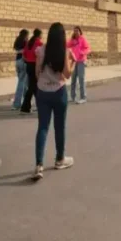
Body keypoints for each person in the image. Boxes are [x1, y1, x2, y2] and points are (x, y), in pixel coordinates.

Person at [32, 23, 75, 180]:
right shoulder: (64, 51)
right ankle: (60, 159)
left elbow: (37, 73)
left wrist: (44, 81)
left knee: (42, 127)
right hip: (59, 92)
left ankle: (38, 165)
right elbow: (67, 74)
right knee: (59, 127)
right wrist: (73, 61)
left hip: (42, 93)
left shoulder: (41, 50)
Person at [19, 29, 43, 114]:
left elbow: (24, 54)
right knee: (34, 87)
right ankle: (27, 107)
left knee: (33, 87)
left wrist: (27, 60)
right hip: (35, 66)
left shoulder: (29, 42)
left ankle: (27, 107)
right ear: (39, 35)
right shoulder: (39, 43)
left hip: (29, 66)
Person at [11, 29, 30, 110]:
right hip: (23, 62)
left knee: (24, 83)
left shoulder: (17, 40)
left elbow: (16, 49)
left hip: (17, 61)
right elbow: (27, 52)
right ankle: (17, 104)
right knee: (21, 83)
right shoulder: (26, 42)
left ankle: (25, 102)